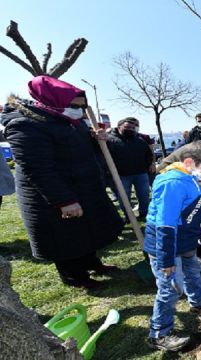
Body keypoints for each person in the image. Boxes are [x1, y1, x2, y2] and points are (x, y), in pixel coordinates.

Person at [1, 76, 123, 289]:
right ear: (52, 101)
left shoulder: (71, 122)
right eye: (73, 106)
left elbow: (82, 152)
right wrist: (64, 200)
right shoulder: (25, 125)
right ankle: (75, 277)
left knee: (86, 231)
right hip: (52, 195)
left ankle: (93, 264)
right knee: (66, 238)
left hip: (82, 187)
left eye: (81, 107)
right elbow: (37, 168)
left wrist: (96, 140)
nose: (78, 111)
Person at [145, 141, 201, 351]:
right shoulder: (173, 183)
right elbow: (165, 225)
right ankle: (159, 333)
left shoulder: (196, 180)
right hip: (166, 244)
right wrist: (166, 259)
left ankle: (200, 301)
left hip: (186, 240)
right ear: (188, 162)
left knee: (193, 271)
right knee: (171, 288)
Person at [106, 117, 154, 220]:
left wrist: (150, 164)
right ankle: (128, 216)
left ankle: (144, 213)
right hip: (121, 175)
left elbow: (148, 154)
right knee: (124, 197)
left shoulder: (140, 140)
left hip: (140, 173)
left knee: (144, 195)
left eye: (133, 128)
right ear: (119, 127)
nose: (131, 129)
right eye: (127, 127)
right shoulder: (109, 140)